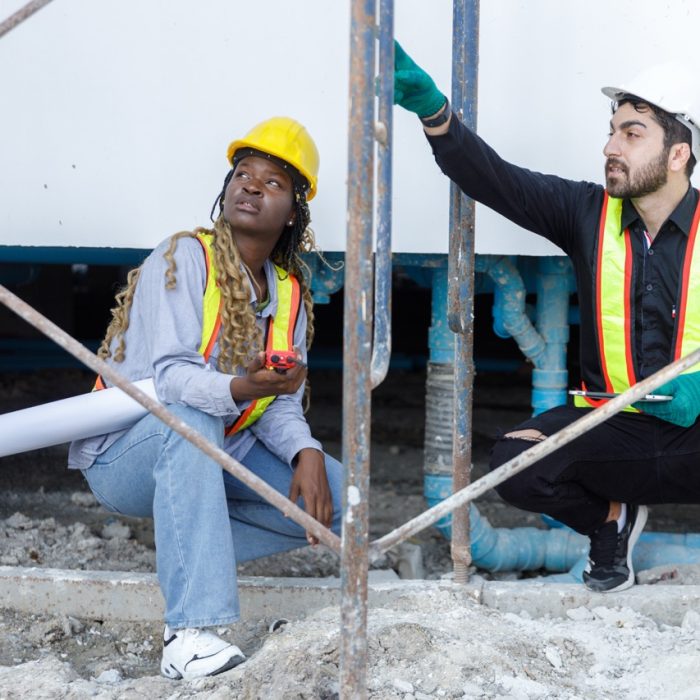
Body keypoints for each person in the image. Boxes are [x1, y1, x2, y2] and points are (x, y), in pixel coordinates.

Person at [393, 41, 700, 593]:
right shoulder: (585, 212)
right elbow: (495, 180)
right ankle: (612, 523)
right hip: (615, 430)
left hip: (695, 435)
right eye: (612, 131)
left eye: (632, 134)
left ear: (678, 153)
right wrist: (434, 112)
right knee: (517, 461)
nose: (611, 146)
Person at [68, 116, 343, 679]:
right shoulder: (181, 258)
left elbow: (279, 399)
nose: (251, 186)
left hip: (215, 449)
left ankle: (187, 552)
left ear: (293, 211)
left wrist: (304, 452)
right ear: (226, 189)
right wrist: (241, 387)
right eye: (243, 174)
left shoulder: (287, 293)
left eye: (272, 182)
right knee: (192, 413)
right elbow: (171, 381)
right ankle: (188, 636)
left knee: (344, 501)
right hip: (126, 454)